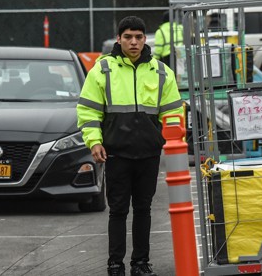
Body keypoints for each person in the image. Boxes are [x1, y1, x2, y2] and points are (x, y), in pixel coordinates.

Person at [76, 16, 183, 276]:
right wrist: (94, 142)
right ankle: (115, 265)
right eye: (128, 37)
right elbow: (88, 111)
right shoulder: (102, 70)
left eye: (138, 37)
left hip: (148, 153)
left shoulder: (160, 71)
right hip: (117, 153)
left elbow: (173, 112)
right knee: (118, 210)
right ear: (119, 39)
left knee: (144, 210)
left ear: (145, 39)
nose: (133, 42)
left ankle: (140, 264)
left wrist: (171, 142)